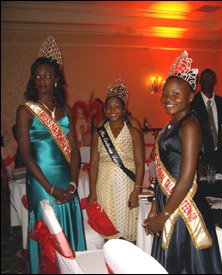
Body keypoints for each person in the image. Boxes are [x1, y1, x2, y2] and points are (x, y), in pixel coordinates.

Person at [143, 51, 222, 274]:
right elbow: (161, 174)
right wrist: (153, 210)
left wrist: (163, 216)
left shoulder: (190, 126)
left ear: (190, 97)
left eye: (176, 94)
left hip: (182, 210)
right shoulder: (170, 125)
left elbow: (187, 179)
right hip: (167, 204)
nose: (168, 99)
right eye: (166, 94)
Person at [16, 35, 86, 274]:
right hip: (40, 181)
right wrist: (50, 187)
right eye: (37, 76)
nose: (42, 80)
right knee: (46, 230)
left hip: (67, 180)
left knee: (68, 226)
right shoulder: (26, 111)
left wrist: (73, 183)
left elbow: (74, 150)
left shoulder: (66, 110)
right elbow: (26, 154)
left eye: (47, 76)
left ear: (56, 80)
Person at [88, 78, 144, 242]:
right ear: (105, 109)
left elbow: (140, 163)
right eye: (109, 107)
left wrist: (137, 189)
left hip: (126, 186)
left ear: (124, 108)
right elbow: (93, 164)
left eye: (117, 106)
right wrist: (92, 191)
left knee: (126, 229)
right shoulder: (98, 133)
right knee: (108, 228)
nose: (113, 110)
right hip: (104, 185)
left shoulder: (133, 131)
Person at [192, 68, 222, 174]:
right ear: (199, 81)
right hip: (201, 159)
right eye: (204, 77)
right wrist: (197, 160)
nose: (207, 79)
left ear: (215, 81)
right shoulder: (192, 104)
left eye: (210, 76)